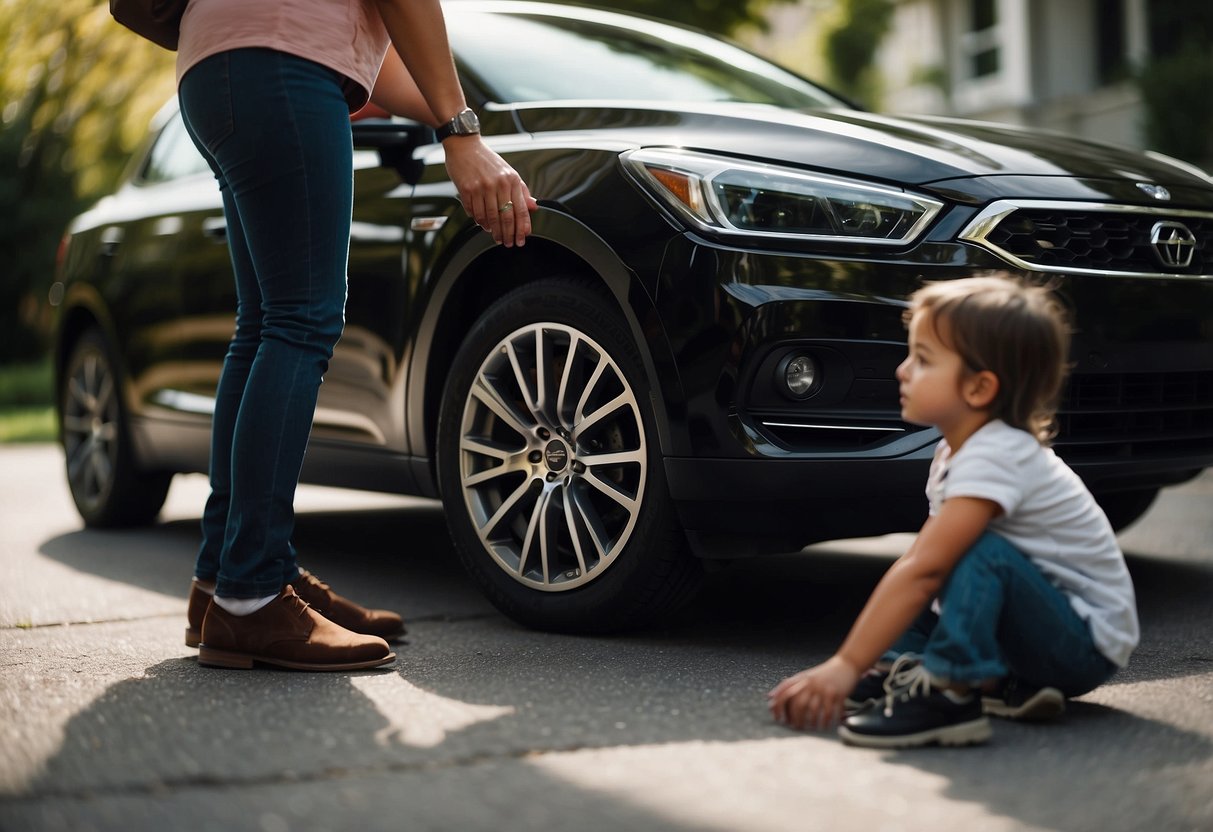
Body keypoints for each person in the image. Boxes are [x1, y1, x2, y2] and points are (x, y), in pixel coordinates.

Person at [175, 0, 538, 671]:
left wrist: (453, 121)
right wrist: (461, 131)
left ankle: (225, 580)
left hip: (217, 68)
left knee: (263, 324)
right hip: (281, 65)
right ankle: (251, 591)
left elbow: (376, 58)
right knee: (299, 320)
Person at [767, 272, 1139, 748]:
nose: (902, 370)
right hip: (1037, 634)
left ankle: (951, 689)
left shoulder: (999, 454)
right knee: (931, 561)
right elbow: (921, 567)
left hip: (1079, 647)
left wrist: (844, 664)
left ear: (980, 389)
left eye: (922, 360)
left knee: (963, 554)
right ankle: (903, 670)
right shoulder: (956, 452)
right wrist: (863, 659)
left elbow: (930, 567)